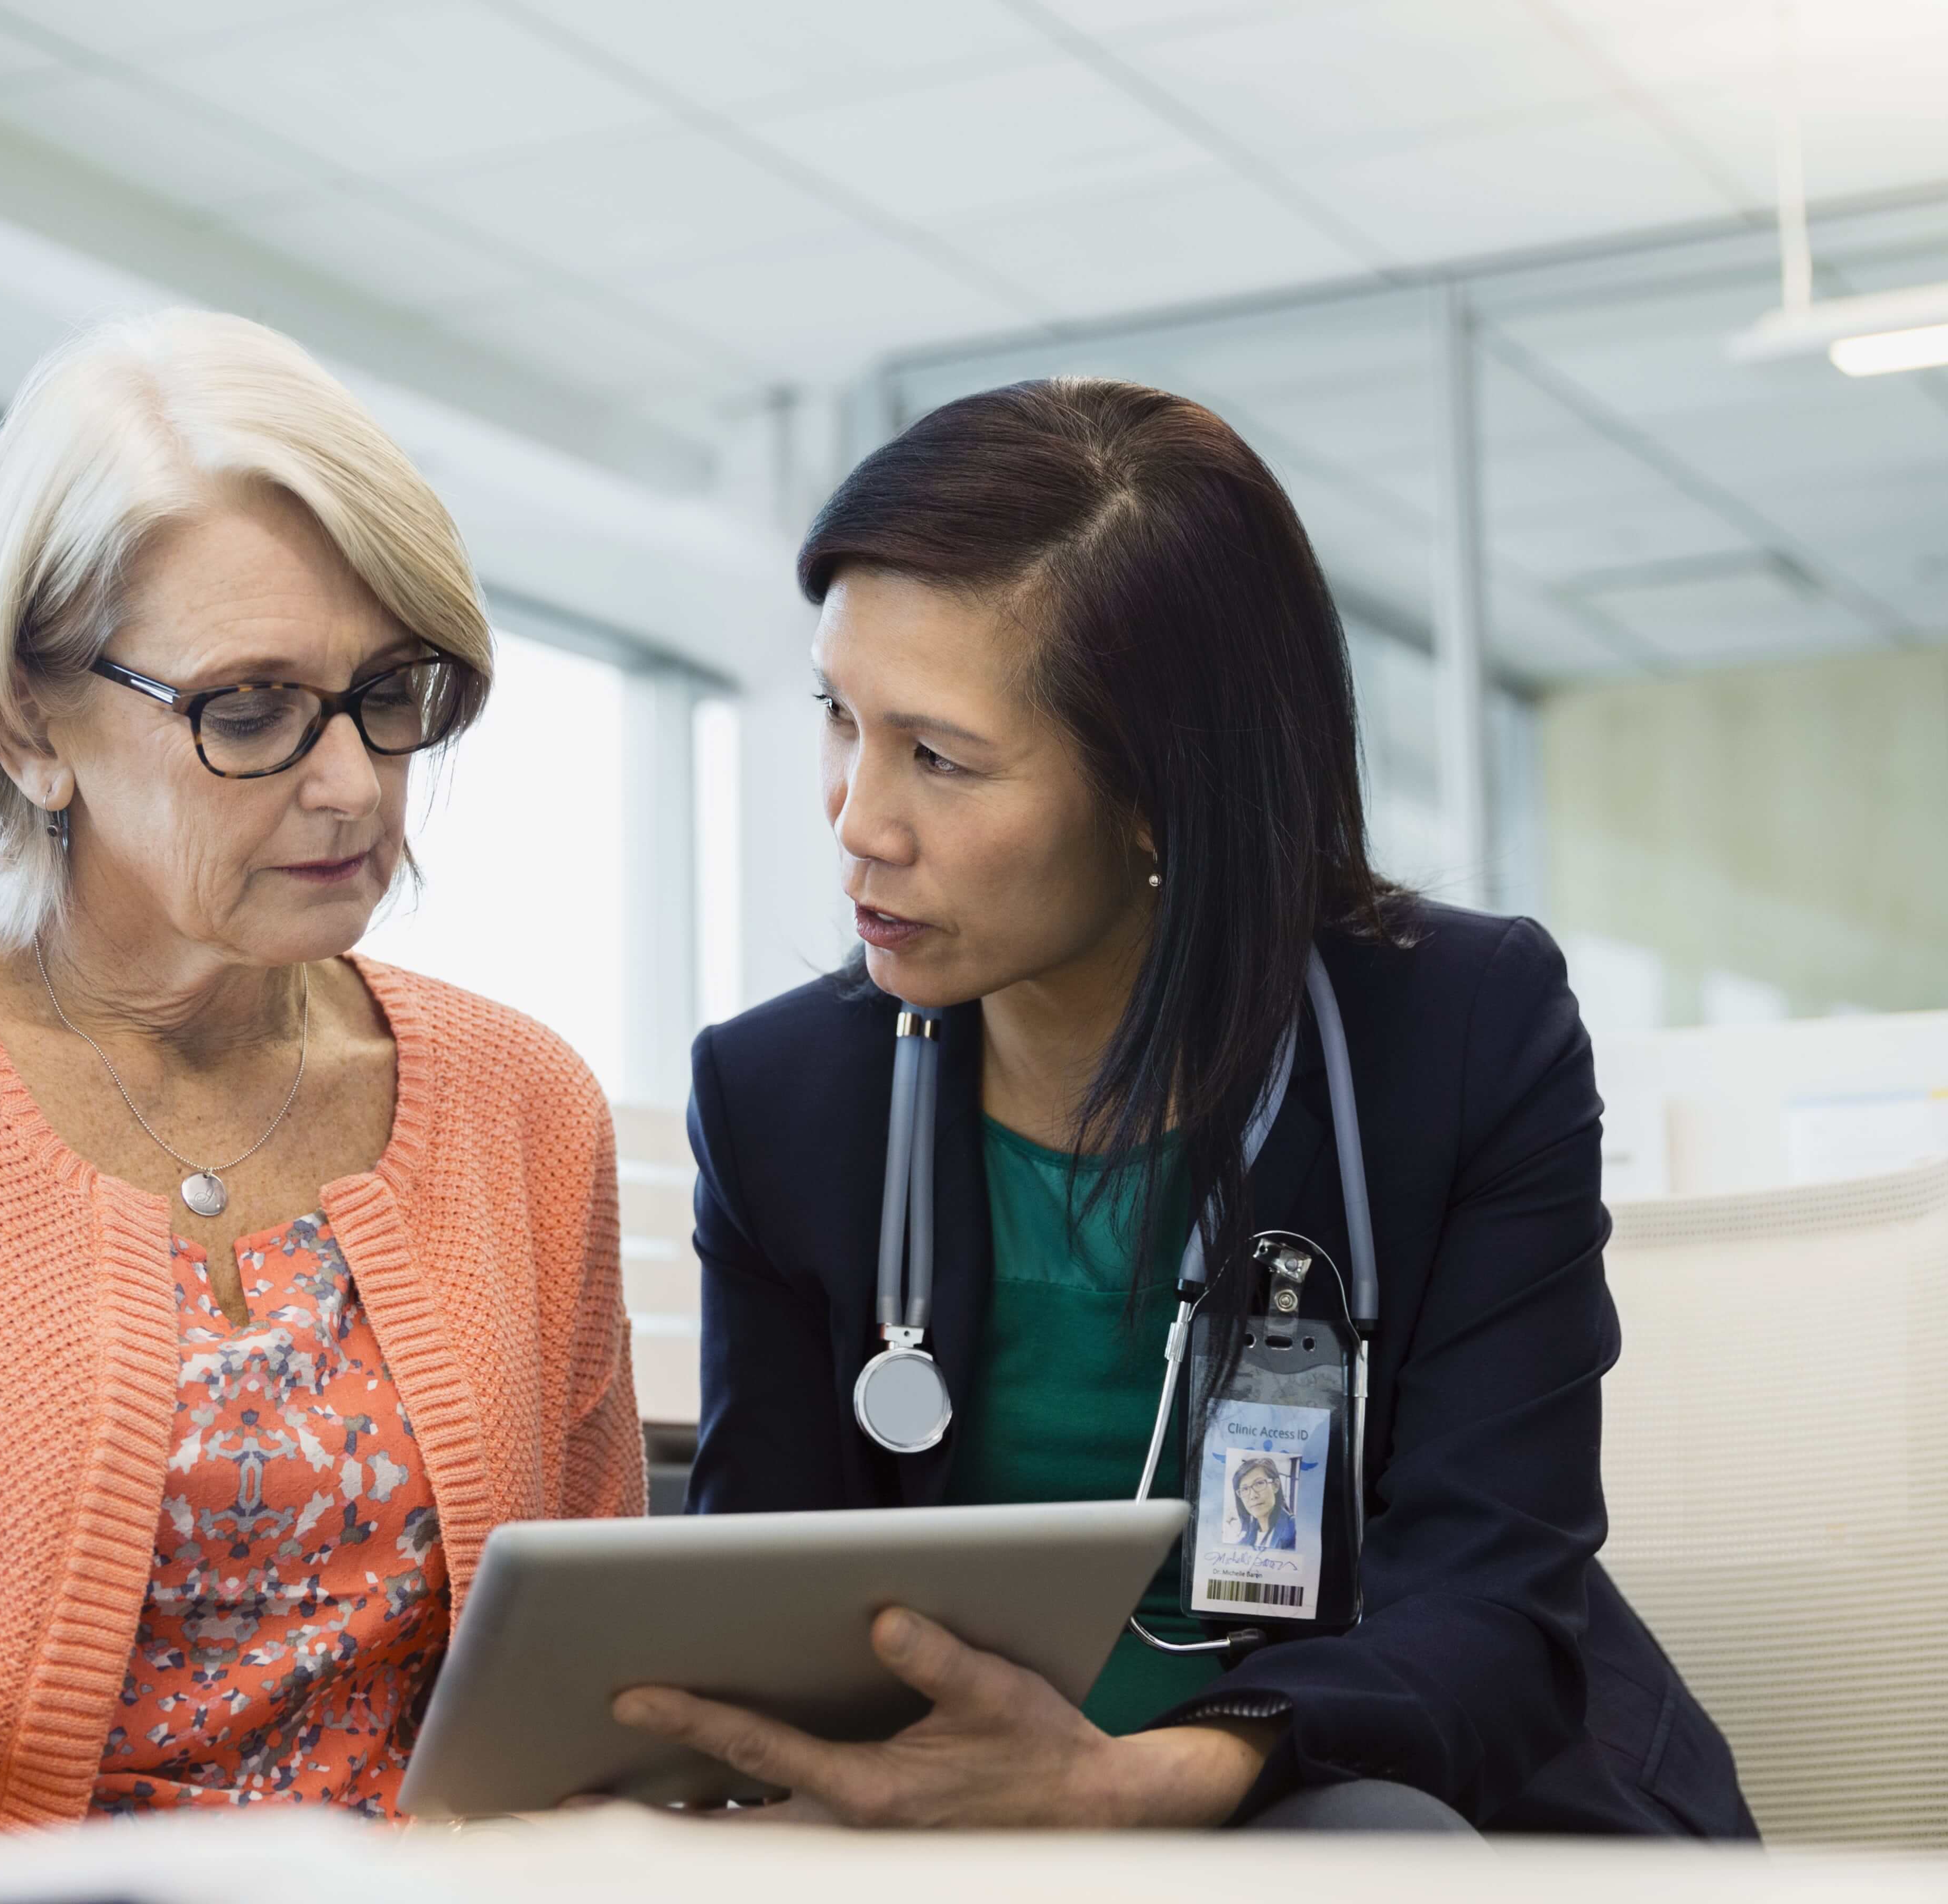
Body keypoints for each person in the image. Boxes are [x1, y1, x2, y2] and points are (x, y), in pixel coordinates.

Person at [0, 311, 641, 1861]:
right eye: (251, 708)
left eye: (390, 693)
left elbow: (581, 1693)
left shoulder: (526, 1107)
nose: (352, 784)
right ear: (29, 730)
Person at [638, 379, 1753, 1837]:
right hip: (962, 1829)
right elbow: (771, 1600)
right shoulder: (785, 1098)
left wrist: (1131, 1786)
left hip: (1363, 1789)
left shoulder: (1461, 1035)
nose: (857, 818)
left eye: (940, 757)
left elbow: (1487, 1612)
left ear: (1166, 791)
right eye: (839, 719)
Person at [1225, 1459, 1298, 1552]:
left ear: (1276, 1486)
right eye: (1245, 1489)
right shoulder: (1247, 1538)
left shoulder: (1294, 1529)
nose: (1253, 1496)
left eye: (1259, 1483)